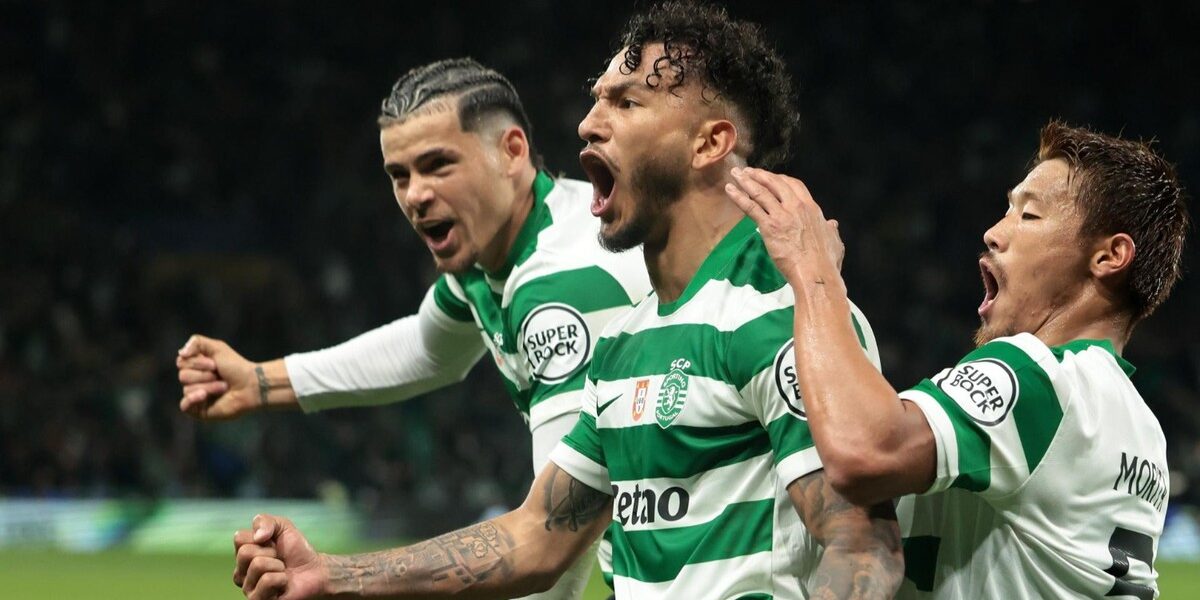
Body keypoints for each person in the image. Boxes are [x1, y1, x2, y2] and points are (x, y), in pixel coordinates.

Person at [232, 2, 904, 599]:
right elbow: (537, 538)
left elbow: (861, 549)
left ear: (709, 142)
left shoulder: (780, 313)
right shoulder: (626, 338)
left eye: (626, 103)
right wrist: (331, 575)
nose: (587, 124)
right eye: (596, 100)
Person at [177, 57, 650, 600]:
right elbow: (425, 348)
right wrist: (261, 381)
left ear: (512, 151)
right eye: (399, 175)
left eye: (438, 165)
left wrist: (335, 580)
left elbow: (547, 549)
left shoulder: (563, 286)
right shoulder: (499, 252)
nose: (415, 195)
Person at [727, 121, 1189, 598]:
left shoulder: (1042, 376)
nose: (994, 233)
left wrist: (814, 273)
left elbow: (864, 451)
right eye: (1006, 211)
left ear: (1109, 256)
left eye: (1029, 215)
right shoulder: (1141, 430)